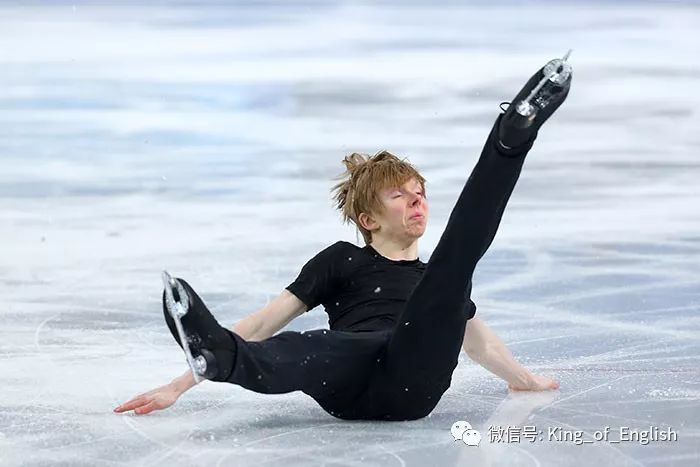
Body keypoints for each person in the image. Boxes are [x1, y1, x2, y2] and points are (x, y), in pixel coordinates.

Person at [115, 54, 571, 421]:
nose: (417, 202)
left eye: (420, 194)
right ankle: (219, 358)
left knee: (455, 266)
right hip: (346, 378)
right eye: (399, 195)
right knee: (321, 343)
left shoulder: (436, 284)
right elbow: (263, 324)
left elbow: (480, 343)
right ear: (369, 219)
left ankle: (510, 139)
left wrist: (524, 380)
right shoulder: (342, 260)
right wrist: (179, 384)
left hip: (413, 383)